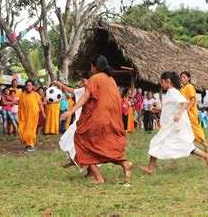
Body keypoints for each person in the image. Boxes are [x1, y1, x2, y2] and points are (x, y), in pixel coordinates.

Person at [60, 55, 132, 184]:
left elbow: (86, 96)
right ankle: (125, 164)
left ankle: (99, 178)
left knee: (82, 141)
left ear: (94, 67)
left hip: (98, 118)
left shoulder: (95, 78)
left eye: (91, 66)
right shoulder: (111, 80)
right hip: (112, 119)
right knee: (105, 146)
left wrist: (71, 111)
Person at [139, 72, 208, 175]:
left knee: (156, 141)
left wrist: (179, 114)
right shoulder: (170, 93)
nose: (161, 84)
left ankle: (150, 168)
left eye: (162, 82)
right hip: (171, 125)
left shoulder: (173, 92)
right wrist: (159, 109)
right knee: (184, 145)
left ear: (168, 82)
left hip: (172, 125)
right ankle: (207, 157)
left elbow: (185, 103)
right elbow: (172, 107)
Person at [54, 71, 93, 170]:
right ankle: (75, 159)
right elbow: (72, 90)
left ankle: (81, 163)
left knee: (86, 147)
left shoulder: (94, 91)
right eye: (82, 81)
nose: (83, 83)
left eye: (84, 80)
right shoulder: (83, 90)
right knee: (68, 139)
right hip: (79, 121)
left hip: (89, 123)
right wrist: (60, 85)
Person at [180, 71, 208, 154]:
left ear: (189, 78)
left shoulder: (190, 87)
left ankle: (206, 145)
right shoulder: (182, 88)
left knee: (194, 129)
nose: (182, 79)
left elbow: (193, 100)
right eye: (181, 77)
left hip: (190, 113)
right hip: (183, 112)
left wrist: (187, 110)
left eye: (184, 77)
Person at [18, 80, 45, 152]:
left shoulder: (36, 94)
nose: (29, 87)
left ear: (32, 86)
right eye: (27, 85)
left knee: (31, 131)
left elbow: (40, 104)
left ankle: (30, 145)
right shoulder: (22, 95)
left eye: (30, 85)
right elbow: (20, 105)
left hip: (33, 116)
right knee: (21, 130)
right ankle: (28, 144)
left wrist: (43, 113)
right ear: (25, 86)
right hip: (24, 116)